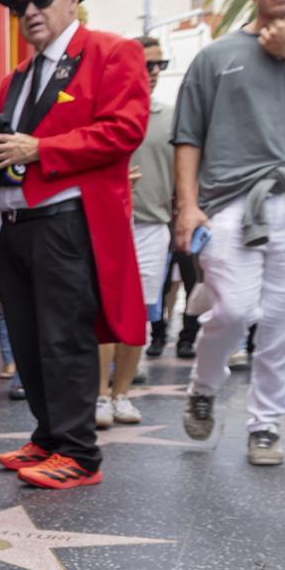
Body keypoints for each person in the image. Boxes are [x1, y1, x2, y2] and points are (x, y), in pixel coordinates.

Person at [0, 0, 150, 490]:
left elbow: (126, 128)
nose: (30, 11)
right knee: (27, 338)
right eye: (21, 4)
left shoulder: (112, 52)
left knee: (63, 336)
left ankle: (79, 451)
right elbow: (14, 151)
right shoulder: (15, 78)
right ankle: (50, 435)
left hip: (67, 219)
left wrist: (40, 146)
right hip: (15, 221)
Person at [173, 0, 285, 465]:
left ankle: (266, 425)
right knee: (236, 309)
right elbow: (188, 136)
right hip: (231, 202)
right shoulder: (216, 55)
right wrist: (187, 207)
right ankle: (204, 384)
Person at [106, 35, 176, 427]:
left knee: (139, 310)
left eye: (159, 66)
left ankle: (122, 394)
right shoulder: (104, 110)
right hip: (106, 222)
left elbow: (186, 166)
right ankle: (101, 394)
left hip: (152, 224)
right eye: (146, 64)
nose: (152, 73)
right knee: (103, 308)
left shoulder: (169, 115)